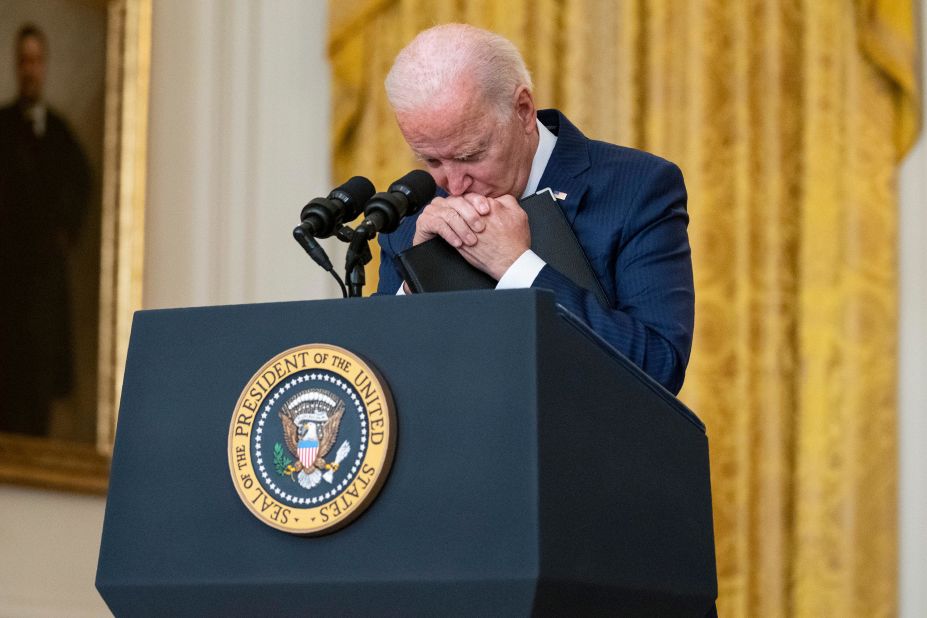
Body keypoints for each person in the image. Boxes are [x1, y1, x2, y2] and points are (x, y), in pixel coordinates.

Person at [375, 24, 693, 395]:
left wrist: (518, 267)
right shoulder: (409, 216)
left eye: (470, 155)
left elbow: (658, 369)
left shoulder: (638, 187)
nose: (454, 184)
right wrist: (418, 278)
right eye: (431, 160)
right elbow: (375, 387)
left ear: (523, 111)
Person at [0, 24, 90, 436]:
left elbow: (81, 185)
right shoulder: (2, 127)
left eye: (36, 61)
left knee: (38, 394)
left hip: (43, 290)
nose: (30, 69)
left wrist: (64, 235)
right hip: (6, 285)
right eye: (24, 61)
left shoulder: (59, 134)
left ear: (45, 66)